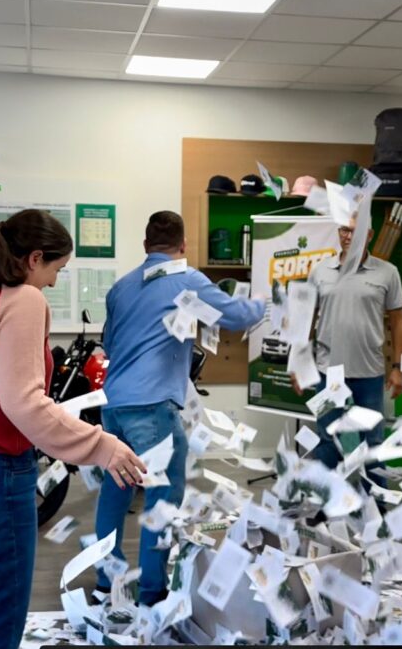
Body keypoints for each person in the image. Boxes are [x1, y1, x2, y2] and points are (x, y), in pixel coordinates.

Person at [0, 209, 145, 648]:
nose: (55, 283)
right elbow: (24, 402)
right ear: (35, 258)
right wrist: (102, 446)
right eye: (56, 269)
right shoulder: (24, 299)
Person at [96, 210, 265, 606]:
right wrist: (261, 302)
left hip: (114, 404)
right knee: (163, 497)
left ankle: (108, 581)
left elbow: (110, 344)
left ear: (145, 246)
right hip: (152, 408)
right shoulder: (186, 279)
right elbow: (237, 316)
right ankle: (152, 591)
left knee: (115, 492)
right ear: (183, 246)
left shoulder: (121, 287)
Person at [302, 215, 402, 471]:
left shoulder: (387, 272)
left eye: (354, 231)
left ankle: (374, 504)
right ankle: (329, 504)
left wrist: (399, 367)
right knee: (329, 439)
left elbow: (399, 320)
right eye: (343, 230)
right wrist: (300, 364)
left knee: (371, 441)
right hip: (327, 375)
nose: (348, 236)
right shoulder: (320, 271)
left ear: (369, 235)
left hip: (369, 375)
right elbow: (306, 318)